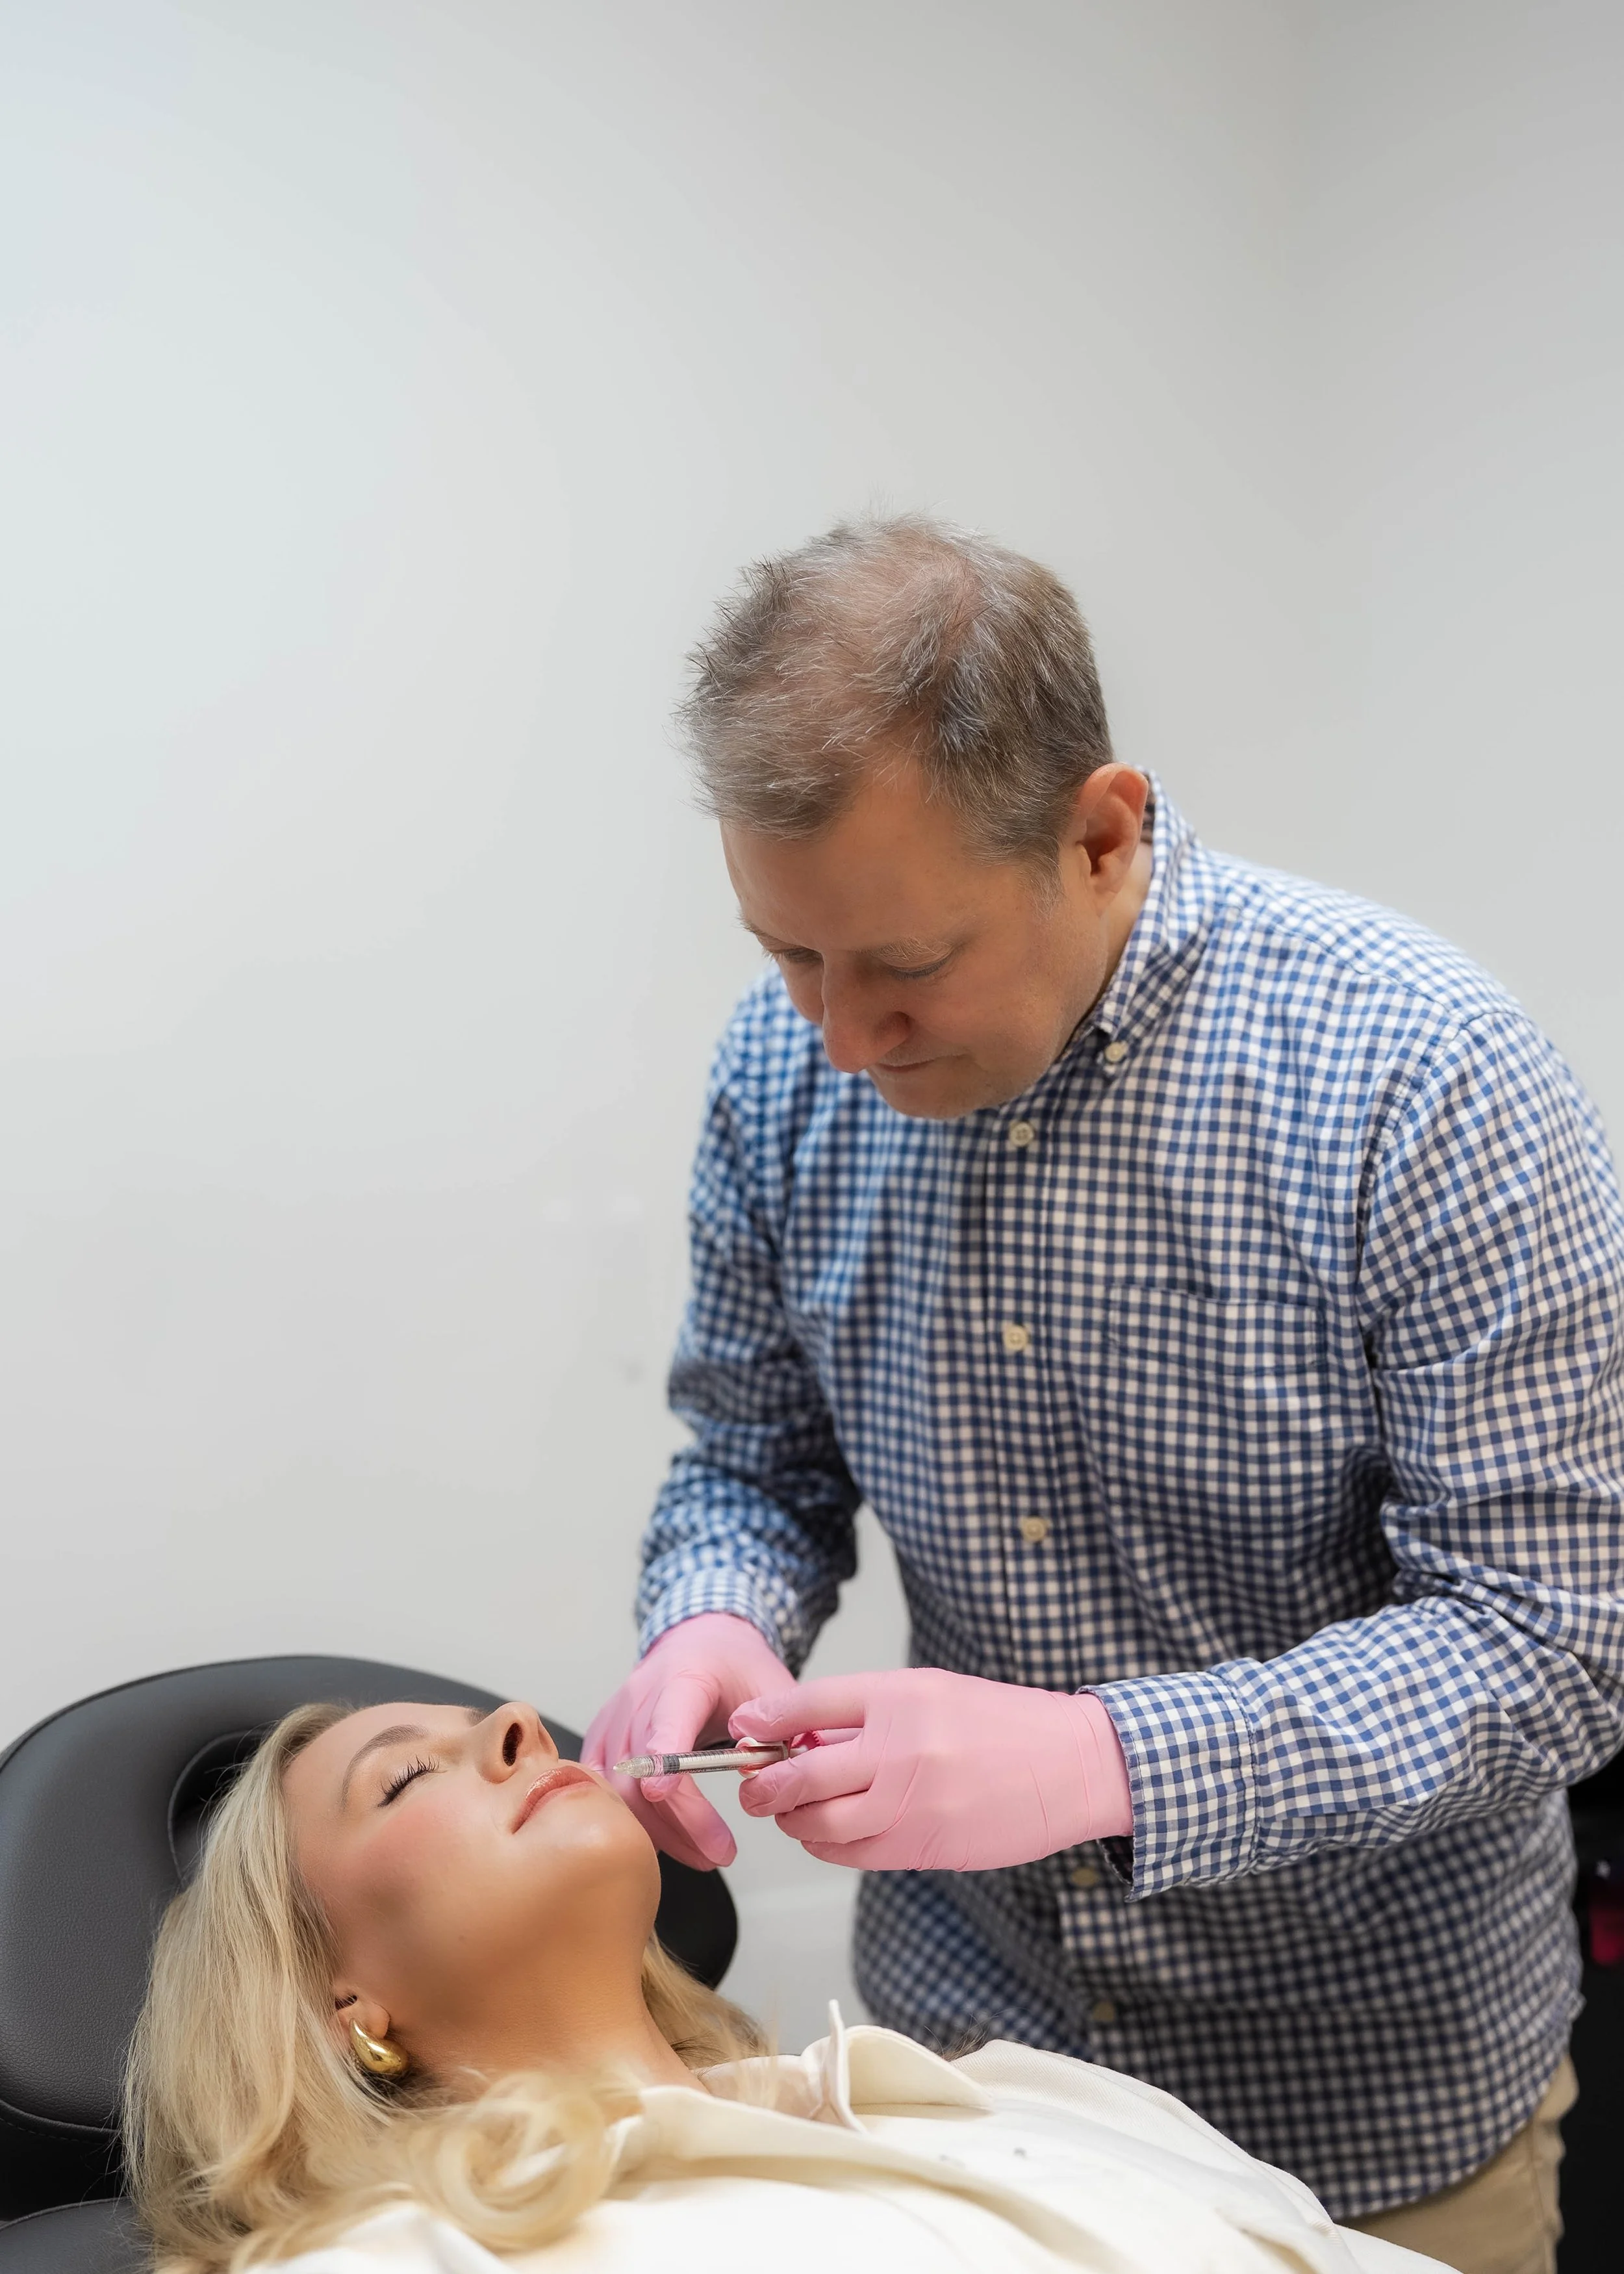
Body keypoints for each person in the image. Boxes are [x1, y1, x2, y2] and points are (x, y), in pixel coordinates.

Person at [582, 515, 1624, 2274]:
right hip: (970, 2090)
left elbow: (1553, 1638)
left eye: (901, 970)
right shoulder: (781, 1069)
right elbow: (752, 1463)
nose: (835, 1036)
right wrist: (713, 1615)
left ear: (1099, 831)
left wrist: (1102, 1759)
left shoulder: (1423, 1078)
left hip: (1365, 2117)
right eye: (787, 955)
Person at [125, 1692, 1443, 2272]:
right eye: (407, 1777)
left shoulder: (1011, 2094)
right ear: (341, 2003)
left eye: (490, 1726)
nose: (518, 1721)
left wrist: (1108, 1756)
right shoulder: (406, 2257)